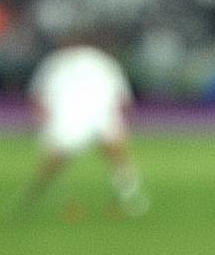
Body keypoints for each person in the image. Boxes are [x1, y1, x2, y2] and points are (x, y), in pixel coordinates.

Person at [16, 40, 148, 218]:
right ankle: (32, 198)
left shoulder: (95, 62)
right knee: (57, 161)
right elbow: (39, 94)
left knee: (114, 154)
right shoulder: (62, 62)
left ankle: (130, 197)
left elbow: (121, 96)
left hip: (94, 114)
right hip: (72, 117)